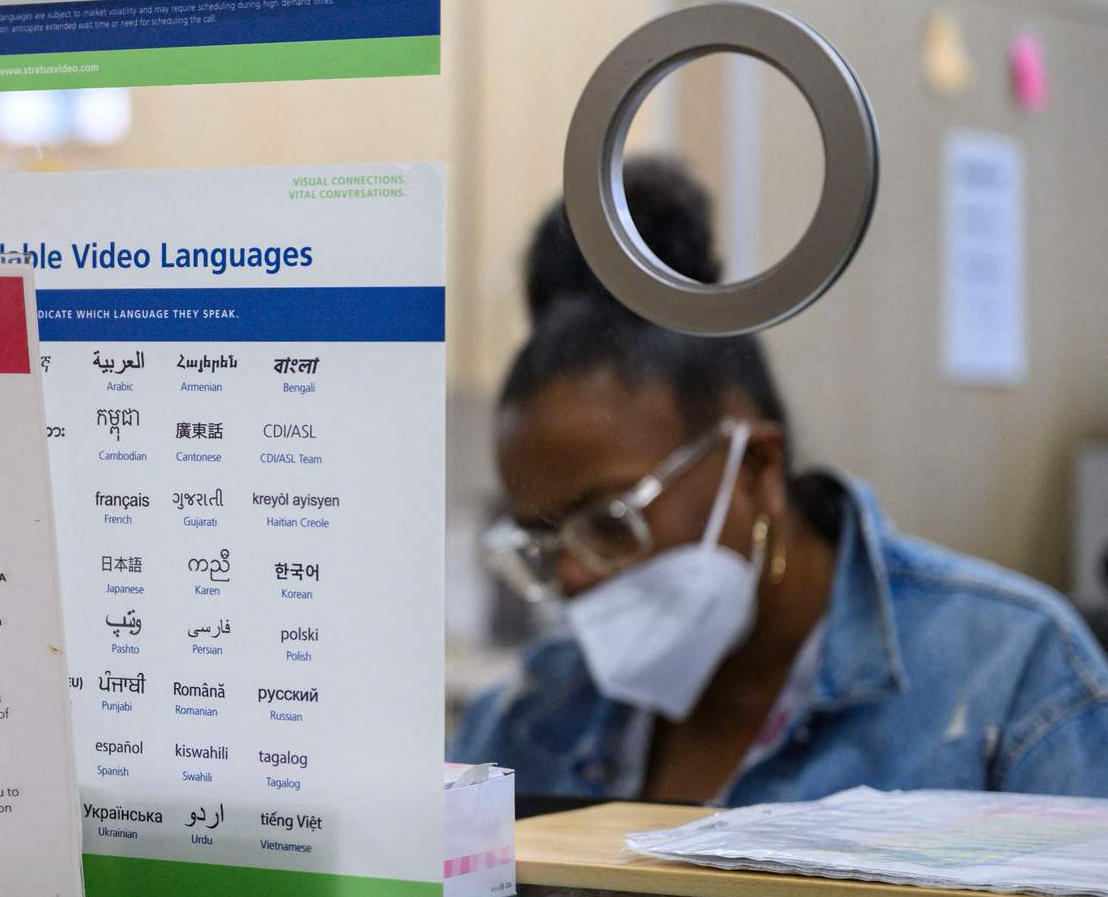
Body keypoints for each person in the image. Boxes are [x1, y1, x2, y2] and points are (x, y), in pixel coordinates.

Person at [451, 158, 1108, 803]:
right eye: (541, 543)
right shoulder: (527, 722)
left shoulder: (1012, 679)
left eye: (609, 522)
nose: (570, 577)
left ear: (757, 469)